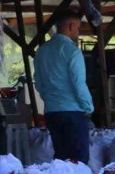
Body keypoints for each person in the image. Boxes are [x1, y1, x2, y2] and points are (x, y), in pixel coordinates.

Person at [34, 8, 94, 163]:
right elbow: (78, 83)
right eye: (78, 27)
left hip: (52, 112)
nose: (78, 32)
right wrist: (88, 106)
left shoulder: (42, 51)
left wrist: (50, 99)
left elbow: (38, 83)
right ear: (70, 26)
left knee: (60, 160)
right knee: (78, 161)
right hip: (73, 111)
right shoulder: (72, 51)